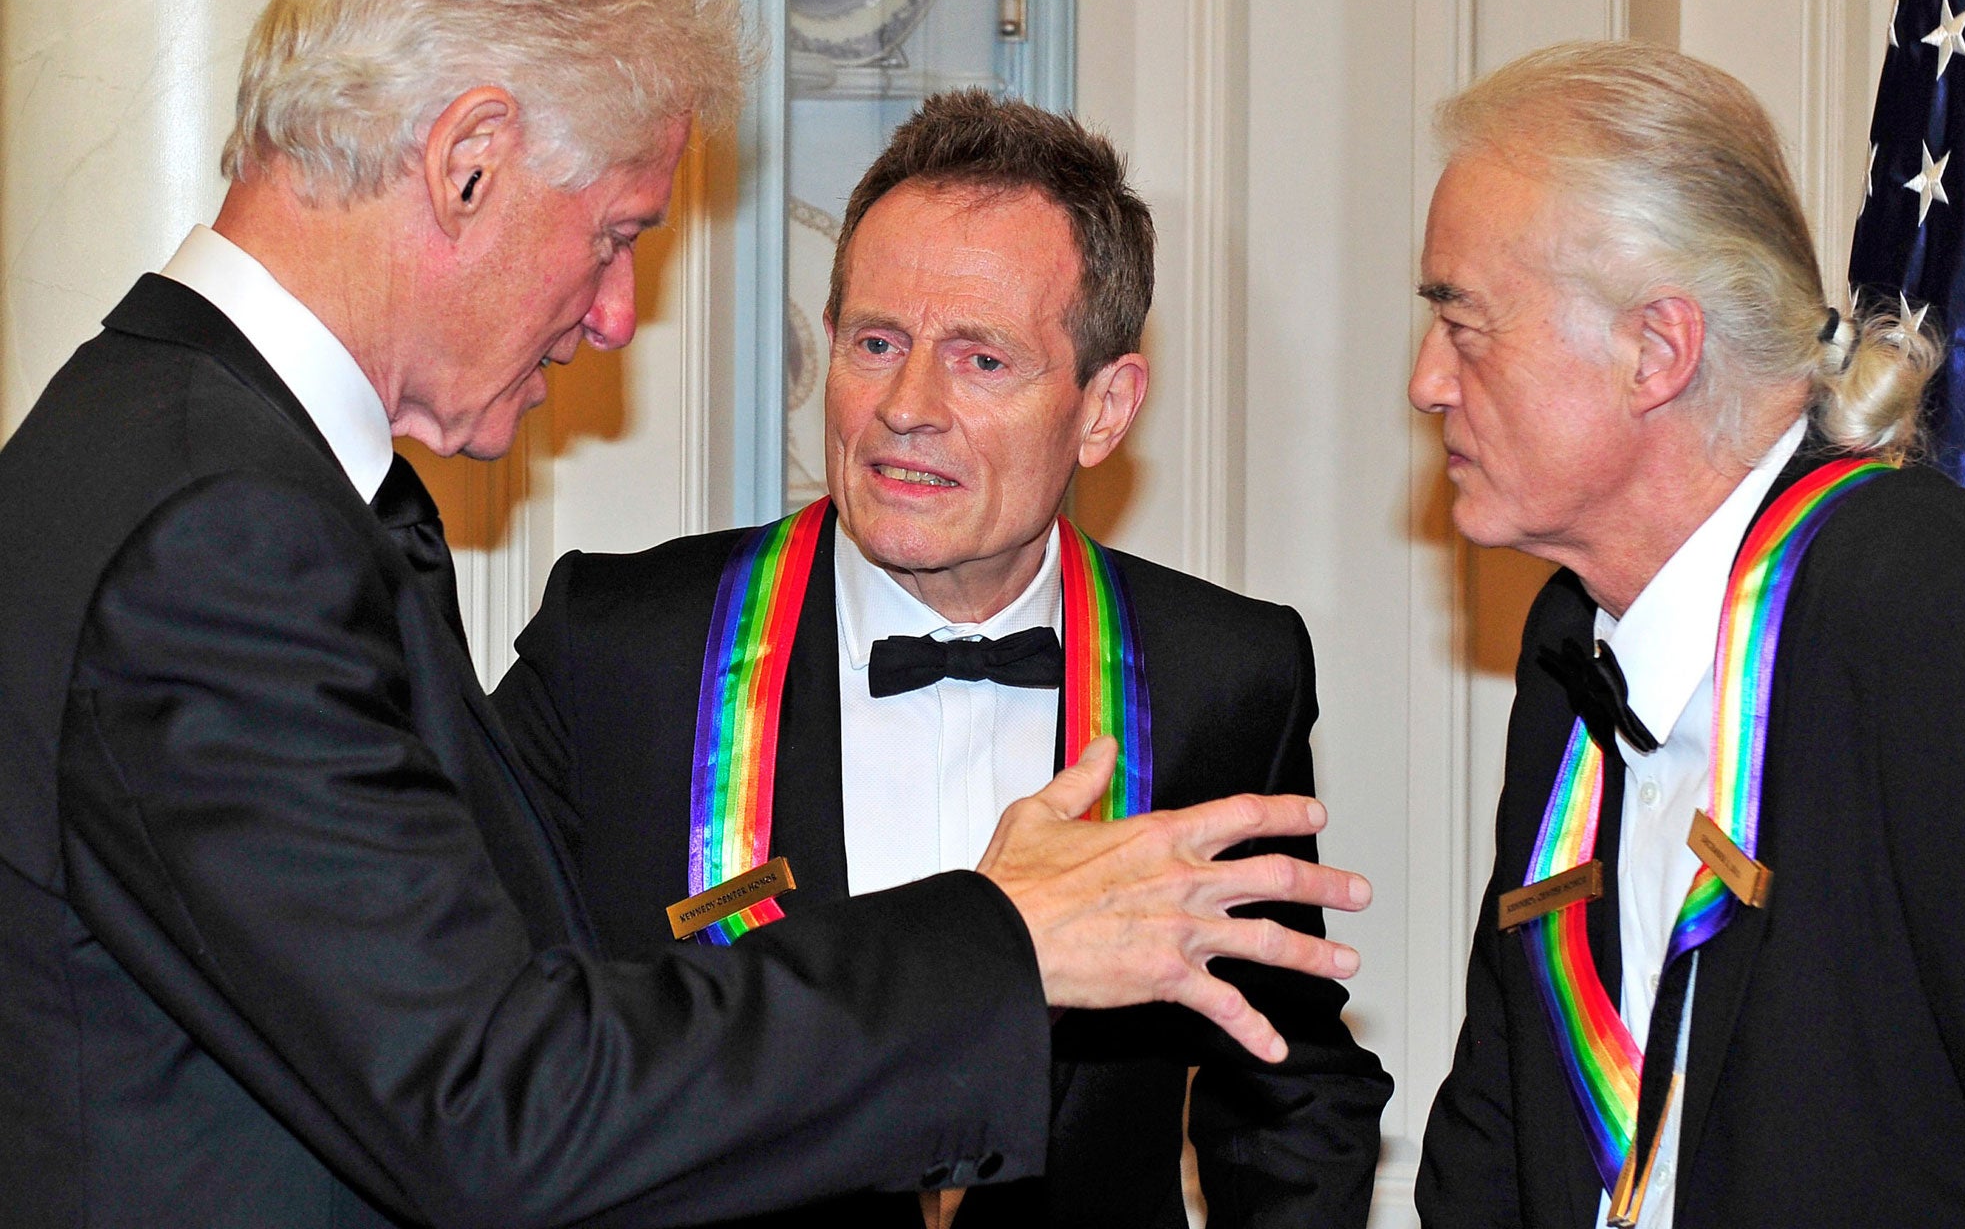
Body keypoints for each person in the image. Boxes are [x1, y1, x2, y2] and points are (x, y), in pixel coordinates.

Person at [0, 0, 1371, 1229]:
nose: (614, 315)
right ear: (469, 163)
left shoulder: (172, 451)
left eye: (981, 361)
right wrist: (999, 939)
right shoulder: (224, 530)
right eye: (613, 236)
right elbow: (496, 1104)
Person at [492, 90, 1393, 1229]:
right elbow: (484, 1042)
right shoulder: (622, 643)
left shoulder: (1221, 672)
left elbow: (1287, 1085)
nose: (905, 408)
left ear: (1103, 407)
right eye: (875, 344)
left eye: (979, 360)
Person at [1410, 40, 1965, 1229]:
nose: (1425, 382)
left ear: (1656, 349)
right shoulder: (1571, 643)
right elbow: (1494, 1142)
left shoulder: (1923, 609)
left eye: (1464, 324)